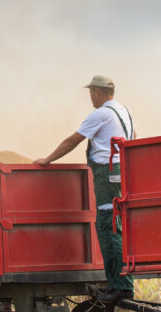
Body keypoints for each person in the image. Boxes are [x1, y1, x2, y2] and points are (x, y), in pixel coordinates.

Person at [33, 75, 134, 302]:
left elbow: (73, 140)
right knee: (117, 225)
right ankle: (120, 283)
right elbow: (133, 137)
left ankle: (121, 286)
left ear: (97, 92)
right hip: (121, 172)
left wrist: (47, 159)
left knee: (108, 226)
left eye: (90, 93)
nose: (90, 97)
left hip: (107, 174)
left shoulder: (100, 114)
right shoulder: (124, 111)